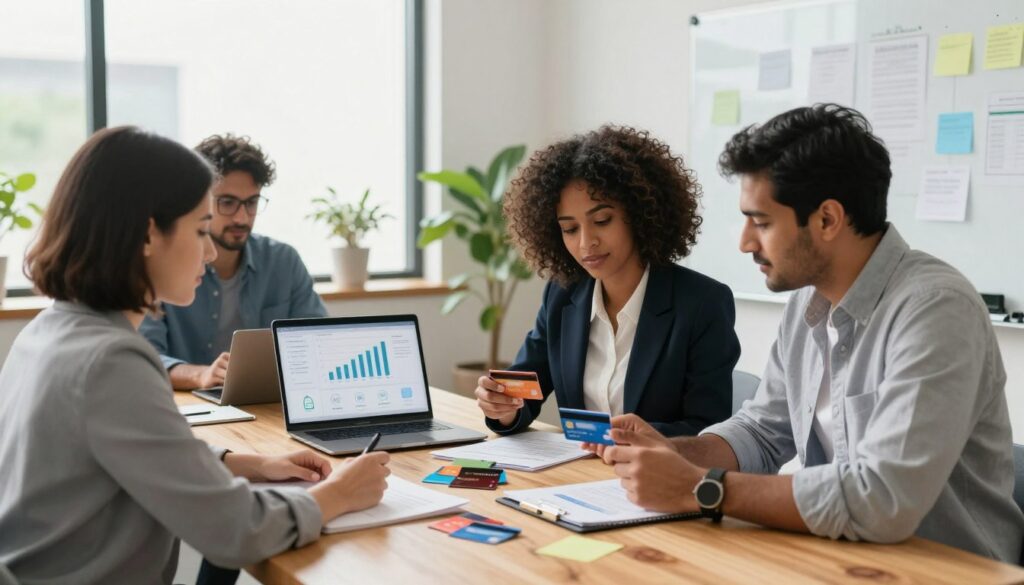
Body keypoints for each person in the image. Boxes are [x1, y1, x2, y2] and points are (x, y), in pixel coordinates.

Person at [590, 104, 1024, 563]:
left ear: (827, 219)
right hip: (841, 561)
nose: (745, 242)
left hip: (946, 571)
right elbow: (761, 431)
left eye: (761, 222)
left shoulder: (935, 310)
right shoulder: (807, 301)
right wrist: (679, 454)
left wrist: (701, 488)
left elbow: (883, 499)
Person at [0, 127, 390, 583]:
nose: (208, 253)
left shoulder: (48, 330)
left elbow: (128, 446)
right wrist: (340, 493)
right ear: (148, 233)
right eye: (201, 228)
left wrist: (242, 462)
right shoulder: (112, 361)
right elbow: (236, 532)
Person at [476, 125, 741, 437]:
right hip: (579, 478)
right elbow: (524, 393)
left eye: (602, 221)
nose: (586, 243)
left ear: (641, 213)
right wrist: (503, 408)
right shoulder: (562, 295)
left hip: (657, 478)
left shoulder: (701, 303)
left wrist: (627, 440)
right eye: (570, 229)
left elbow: (708, 429)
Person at [140, 134, 326, 390]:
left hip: (266, 408)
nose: (242, 217)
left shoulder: (283, 261)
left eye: (251, 203)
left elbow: (318, 344)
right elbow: (146, 359)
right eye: (227, 202)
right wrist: (201, 375)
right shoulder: (168, 266)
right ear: (201, 201)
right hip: (191, 406)